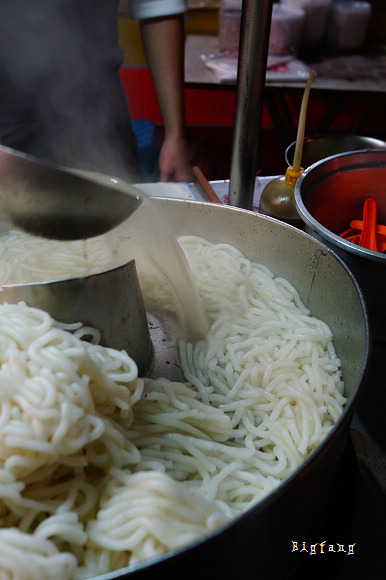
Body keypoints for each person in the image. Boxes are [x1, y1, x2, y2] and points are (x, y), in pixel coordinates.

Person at [0, 0, 193, 183]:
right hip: (6, 121)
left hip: (98, 113)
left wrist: (175, 134)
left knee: (119, 214)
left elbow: (158, 5)